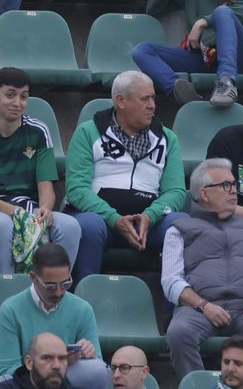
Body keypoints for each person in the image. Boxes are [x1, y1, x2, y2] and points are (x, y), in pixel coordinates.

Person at [161, 159, 243, 386]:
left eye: (234, 184)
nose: (233, 191)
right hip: (199, 309)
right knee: (179, 332)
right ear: (204, 193)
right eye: (226, 185)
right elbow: (171, 281)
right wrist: (204, 305)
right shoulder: (178, 230)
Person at [63, 71, 185, 280]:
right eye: (145, 99)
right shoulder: (88, 132)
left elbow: (176, 191)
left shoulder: (168, 138)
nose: (152, 106)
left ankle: (177, 300)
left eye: (153, 98)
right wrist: (114, 218)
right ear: (121, 101)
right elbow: (77, 188)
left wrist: (150, 216)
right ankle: (83, 295)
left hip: (149, 223)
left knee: (181, 224)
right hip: (101, 220)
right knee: (88, 226)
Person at [0, 69, 78, 275]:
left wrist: (45, 208)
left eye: (24, 97)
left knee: (70, 226)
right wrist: (14, 212)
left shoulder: (39, 130)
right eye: (10, 95)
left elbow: (46, 186)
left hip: (30, 208)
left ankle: (58, 287)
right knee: (2, 226)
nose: (17, 103)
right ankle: (4, 287)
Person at [0, 245, 106, 389]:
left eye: (65, 284)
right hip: (26, 381)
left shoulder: (82, 309)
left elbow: (99, 369)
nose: (58, 292)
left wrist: (89, 354)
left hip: (66, 377)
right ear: (33, 278)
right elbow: (8, 371)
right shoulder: (10, 309)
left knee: (96, 369)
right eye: (50, 286)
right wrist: (50, 364)